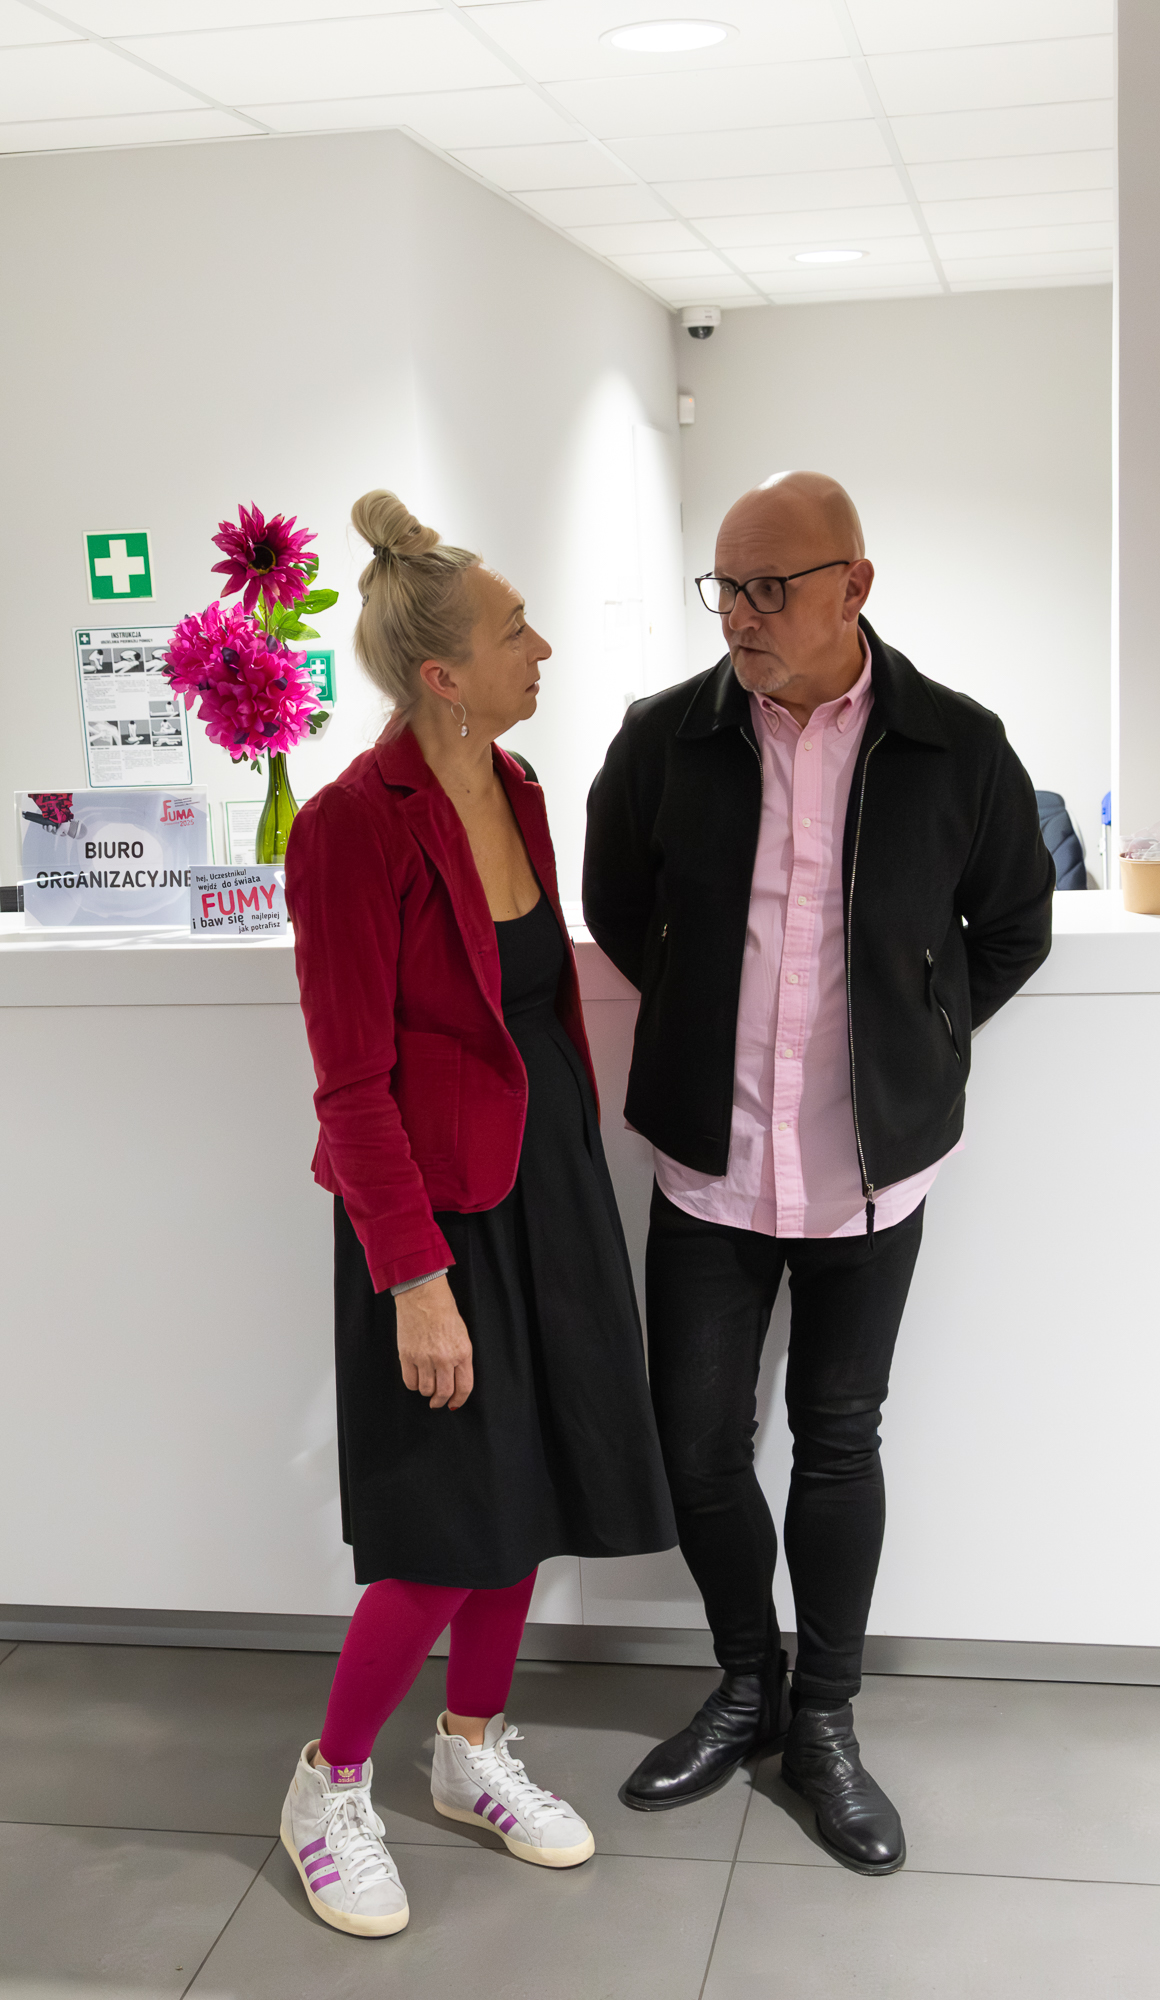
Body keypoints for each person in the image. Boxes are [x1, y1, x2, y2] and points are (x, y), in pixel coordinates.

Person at [583, 471, 1052, 1876]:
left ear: (855, 584)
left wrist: (920, 1034)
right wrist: (699, 1017)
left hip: (868, 1170)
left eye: (770, 588)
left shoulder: (955, 744)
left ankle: (828, 1721)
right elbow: (617, 906)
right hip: (708, 1161)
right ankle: (749, 1683)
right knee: (696, 1446)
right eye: (724, 586)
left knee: (839, 1437)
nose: (740, 614)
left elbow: (1012, 927)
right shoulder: (663, 738)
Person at [282, 490, 676, 1939]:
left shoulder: (516, 787)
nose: (543, 648)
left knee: (535, 1494)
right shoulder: (347, 829)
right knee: (446, 1523)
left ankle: (467, 1750)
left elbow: (529, 1012)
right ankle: (328, 1783)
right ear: (441, 673)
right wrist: (414, 1278)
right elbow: (350, 1081)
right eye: (518, 631)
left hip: (548, 1187)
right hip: (436, 1220)